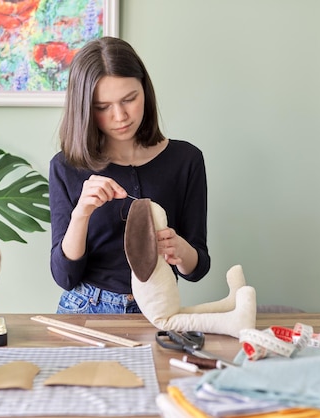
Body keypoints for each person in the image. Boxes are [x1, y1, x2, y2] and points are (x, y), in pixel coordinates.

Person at [49, 36, 210, 314]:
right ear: (85, 109)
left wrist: (179, 248)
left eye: (129, 99)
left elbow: (197, 269)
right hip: (86, 307)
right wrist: (81, 214)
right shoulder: (66, 167)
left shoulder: (186, 160)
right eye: (103, 107)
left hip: (159, 307)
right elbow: (65, 277)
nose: (120, 115)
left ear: (145, 90)